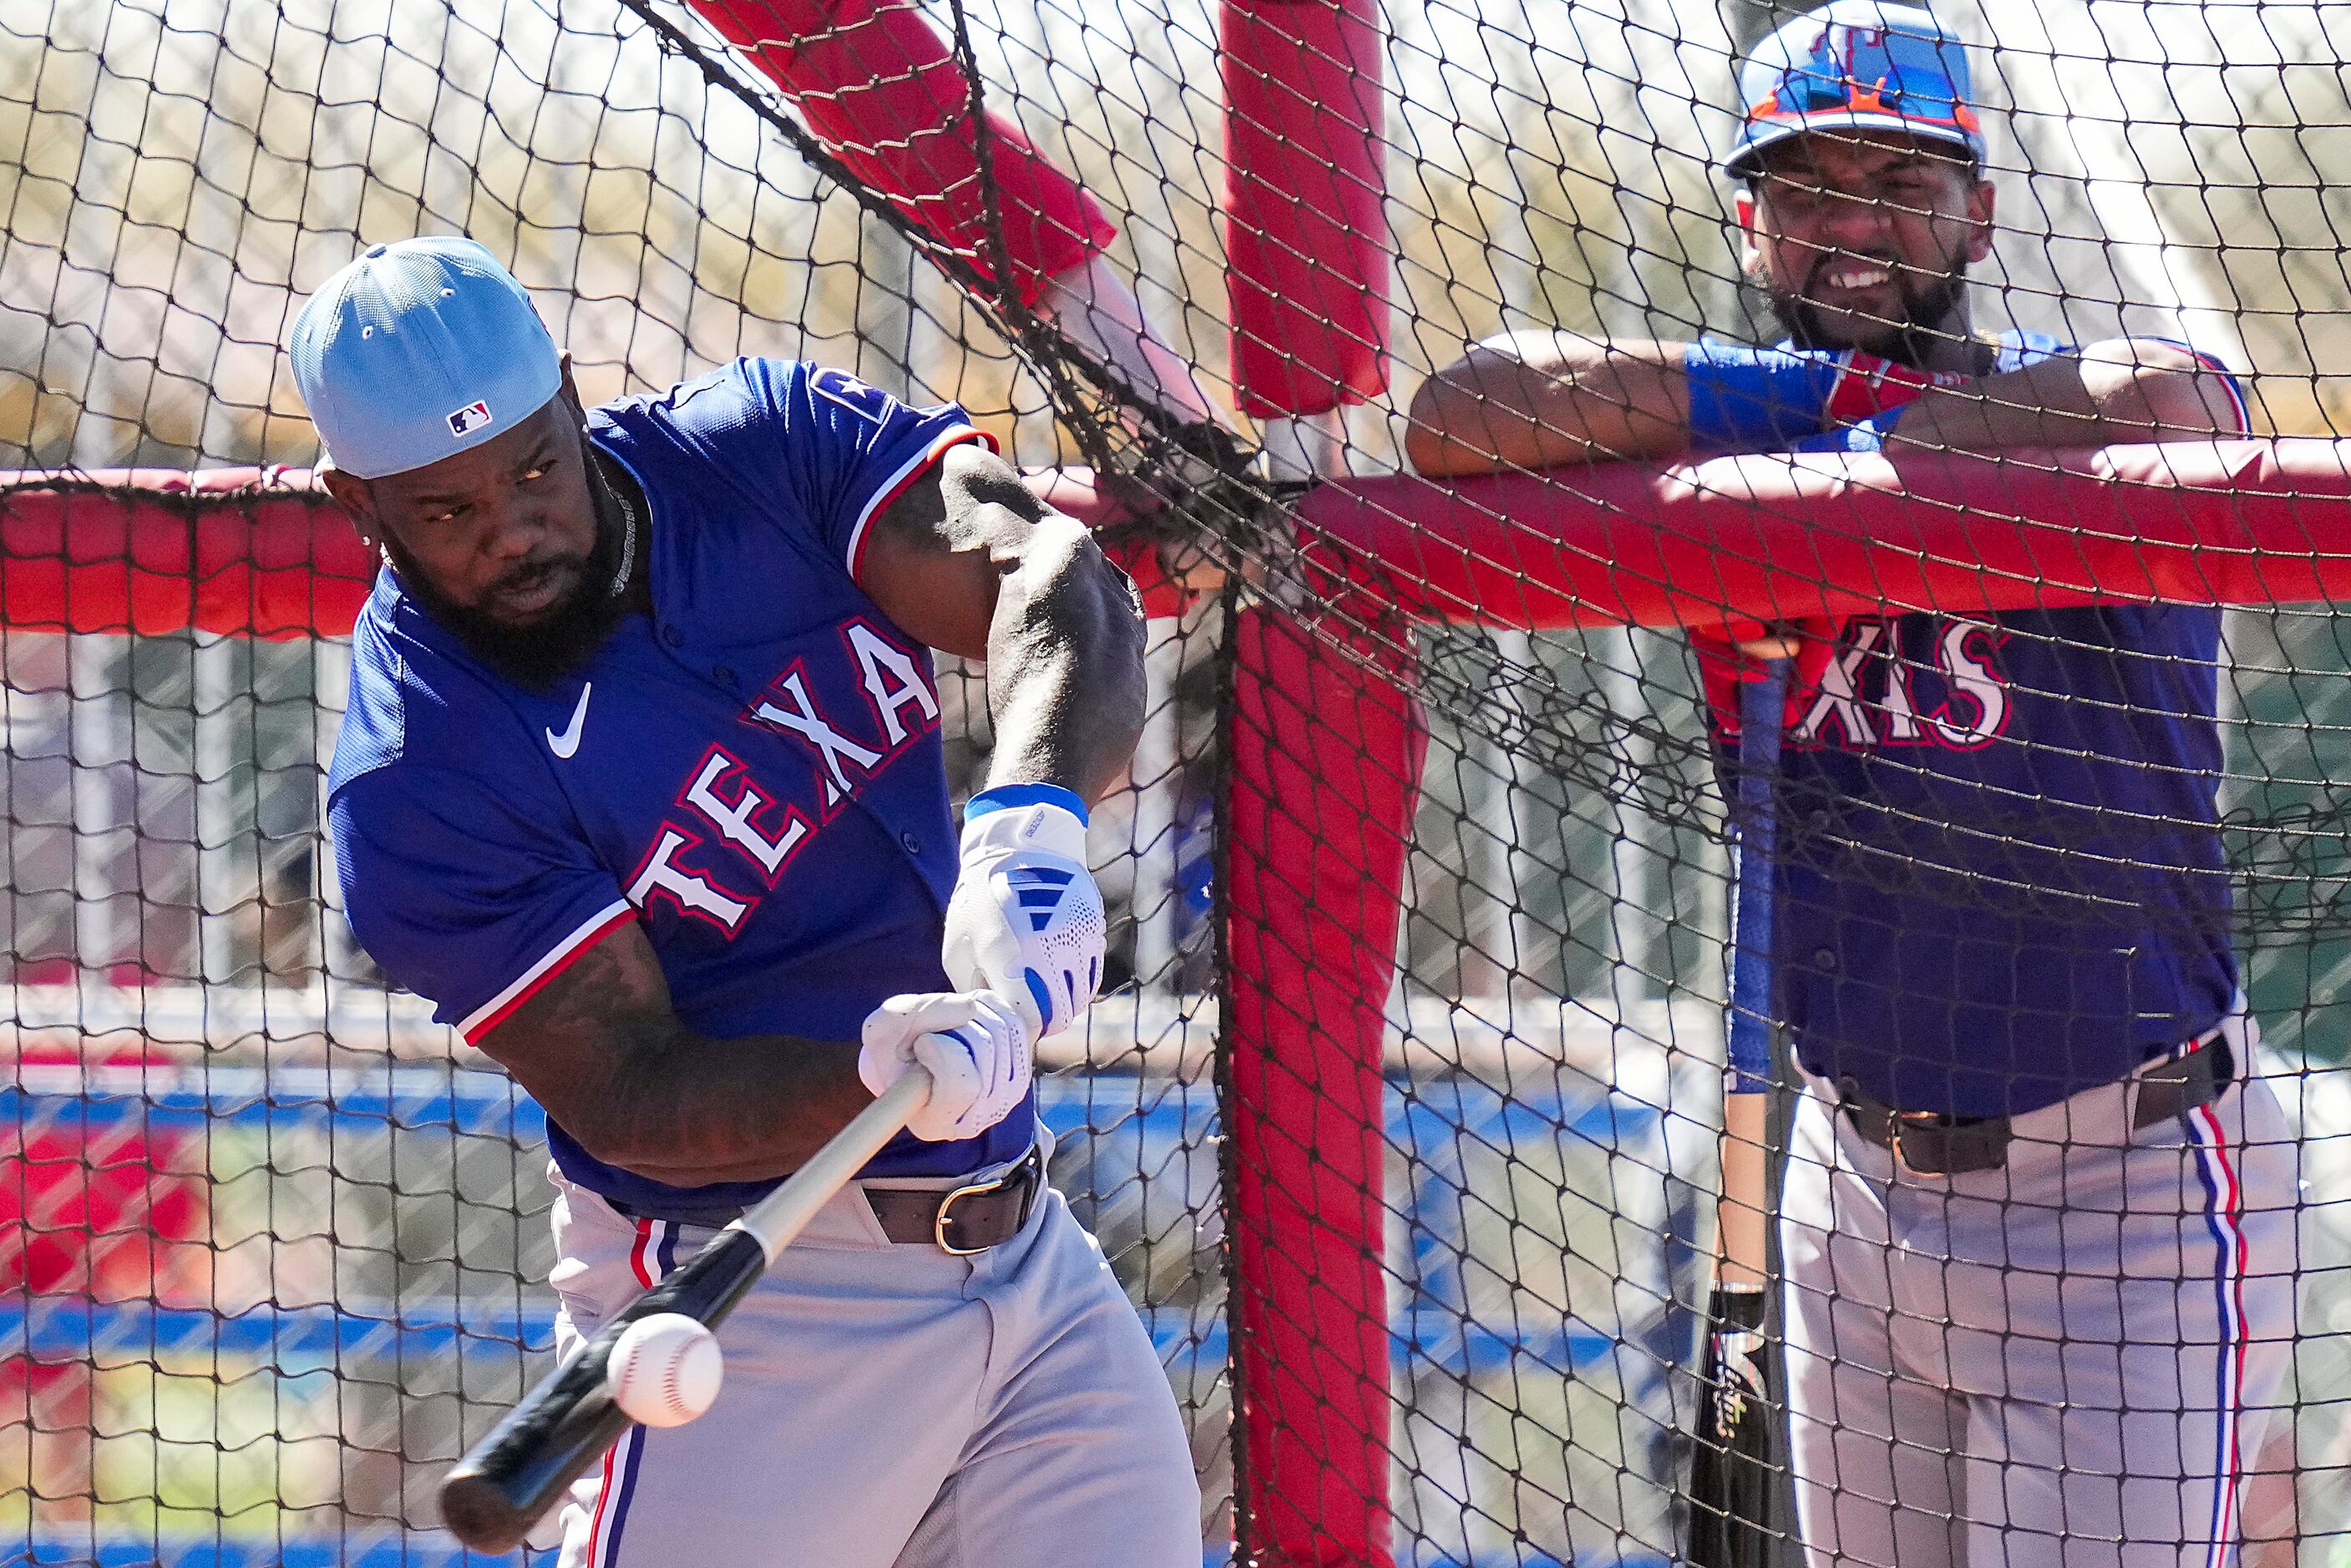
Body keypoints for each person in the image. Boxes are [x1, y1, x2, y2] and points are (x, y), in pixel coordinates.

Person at [1406, 7, 2295, 1568]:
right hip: (1857, 1192)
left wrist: (1822, 491)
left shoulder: (2075, 413)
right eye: (1808, 189)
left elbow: (2190, 396)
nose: (1855, 226)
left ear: (1979, 209)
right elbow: (1457, 411)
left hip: (2131, 1183)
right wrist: (1814, 435)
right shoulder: (1727, 443)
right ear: (1752, 224)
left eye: (1902, 182)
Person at [290, 235, 1198, 1568]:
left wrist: (1030, 820)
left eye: (536, 467)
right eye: (447, 510)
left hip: (1026, 1252)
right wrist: (877, 1066)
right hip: (752, 1301)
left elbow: (1055, 581)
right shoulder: (418, 772)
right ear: (357, 505)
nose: (513, 527)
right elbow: (636, 1093)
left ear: (568, 399)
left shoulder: (762, 447)